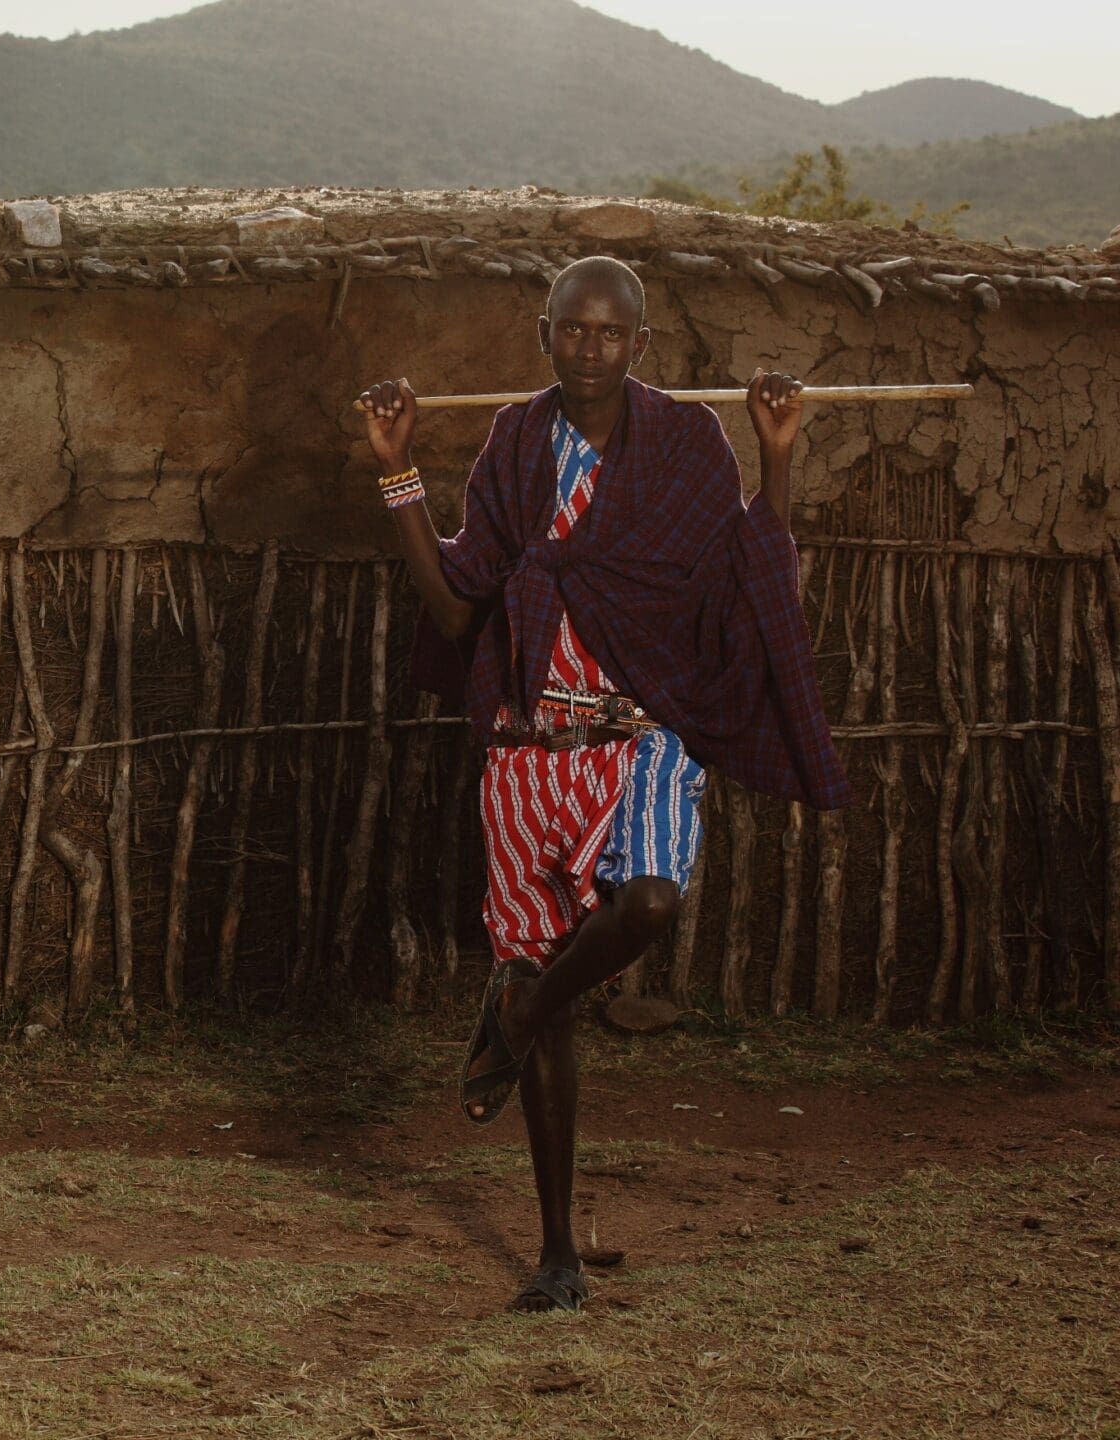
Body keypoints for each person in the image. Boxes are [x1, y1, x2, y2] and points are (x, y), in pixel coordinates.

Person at [358, 255, 847, 1314]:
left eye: (607, 333)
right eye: (569, 331)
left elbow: (748, 573)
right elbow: (454, 611)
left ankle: (520, 1005)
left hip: (642, 736)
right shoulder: (513, 443)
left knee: (650, 901)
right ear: (544, 336)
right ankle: (554, 1254)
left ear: (640, 345)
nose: (587, 349)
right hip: (529, 748)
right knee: (556, 999)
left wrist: (776, 460)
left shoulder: (683, 444)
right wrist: (397, 472)